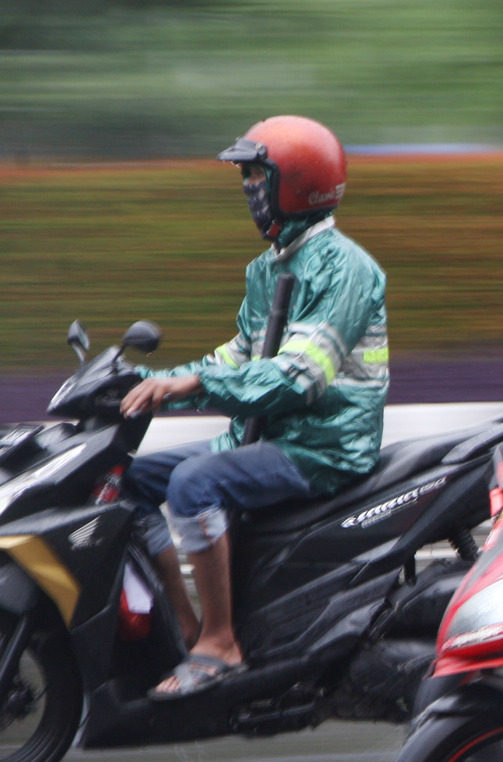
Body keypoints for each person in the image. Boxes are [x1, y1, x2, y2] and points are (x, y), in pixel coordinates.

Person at [120, 115, 388, 698]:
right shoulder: (268, 269)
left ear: (295, 184)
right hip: (269, 435)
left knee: (192, 484)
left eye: (255, 177)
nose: (248, 190)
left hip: (323, 444)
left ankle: (221, 643)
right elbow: (237, 356)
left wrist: (191, 387)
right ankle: (186, 627)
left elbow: (299, 378)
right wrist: (145, 381)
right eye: (244, 179)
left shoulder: (346, 268)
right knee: (128, 480)